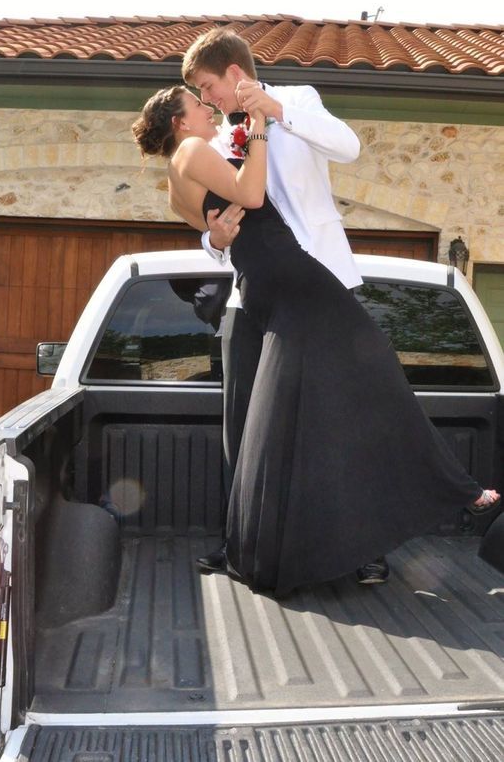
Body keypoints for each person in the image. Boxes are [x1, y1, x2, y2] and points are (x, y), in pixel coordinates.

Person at [131, 84, 500, 598]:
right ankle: (454, 488)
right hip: (287, 273)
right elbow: (252, 196)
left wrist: (216, 235)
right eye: (199, 104)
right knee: (376, 369)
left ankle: (266, 549)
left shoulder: (178, 175)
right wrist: (257, 127)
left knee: (278, 421)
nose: (210, 109)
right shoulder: (195, 149)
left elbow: (215, 228)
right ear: (180, 123)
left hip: (265, 278)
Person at [180, 29, 393, 583]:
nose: (208, 102)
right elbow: (206, 215)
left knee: (335, 420)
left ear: (232, 73)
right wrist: (214, 241)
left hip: (319, 287)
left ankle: (359, 549)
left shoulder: (299, 98)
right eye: (199, 97)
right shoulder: (217, 137)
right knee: (246, 425)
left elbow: (349, 147)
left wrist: (274, 110)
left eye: (208, 88)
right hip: (252, 299)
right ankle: (242, 545)